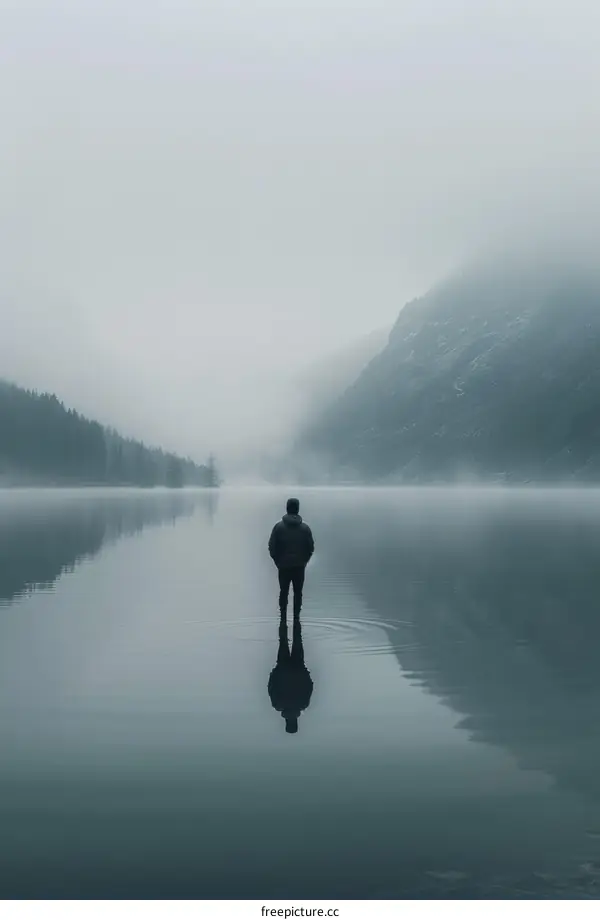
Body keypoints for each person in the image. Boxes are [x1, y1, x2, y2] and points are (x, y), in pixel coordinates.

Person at [268, 497, 314, 617]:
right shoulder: (305, 529)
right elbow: (310, 548)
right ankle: (296, 618)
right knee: (298, 593)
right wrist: (304, 561)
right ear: (298, 509)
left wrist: (277, 561)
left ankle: (282, 619)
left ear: (287, 508)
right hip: (299, 566)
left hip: (283, 566)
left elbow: (272, 547)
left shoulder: (278, 527)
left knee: (283, 592)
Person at [268, 615, 313, 734]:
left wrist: (305, 672)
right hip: (283, 667)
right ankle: (287, 617)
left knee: (297, 639)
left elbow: (309, 686)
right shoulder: (277, 704)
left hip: (298, 667)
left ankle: (291, 617)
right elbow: (271, 686)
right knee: (283, 640)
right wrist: (274, 672)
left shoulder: (303, 703)